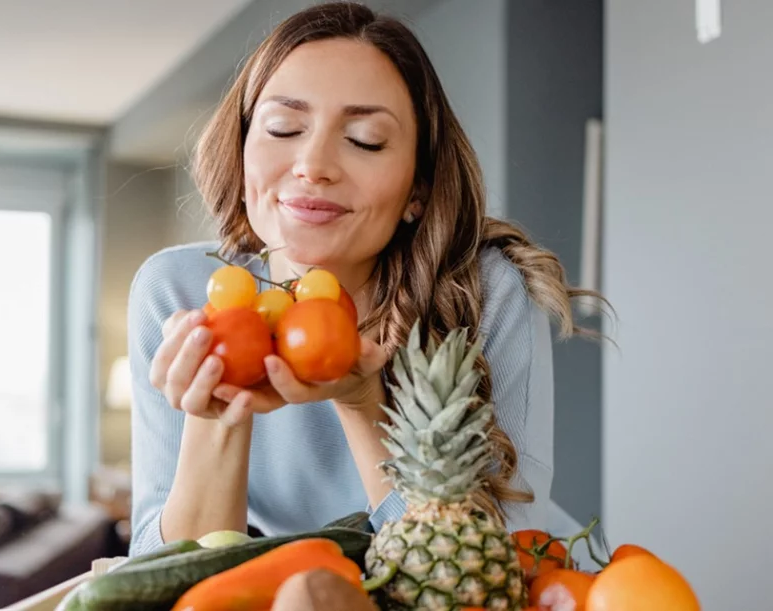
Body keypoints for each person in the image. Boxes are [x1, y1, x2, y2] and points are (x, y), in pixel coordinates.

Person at [125, 1, 605, 556]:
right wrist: (220, 411)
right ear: (242, 144)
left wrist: (361, 401)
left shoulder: (485, 291)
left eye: (366, 140)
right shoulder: (177, 291)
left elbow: (497, 559)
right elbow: (161, 573)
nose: (313, 164)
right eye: (283, 127)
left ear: (417, 190)